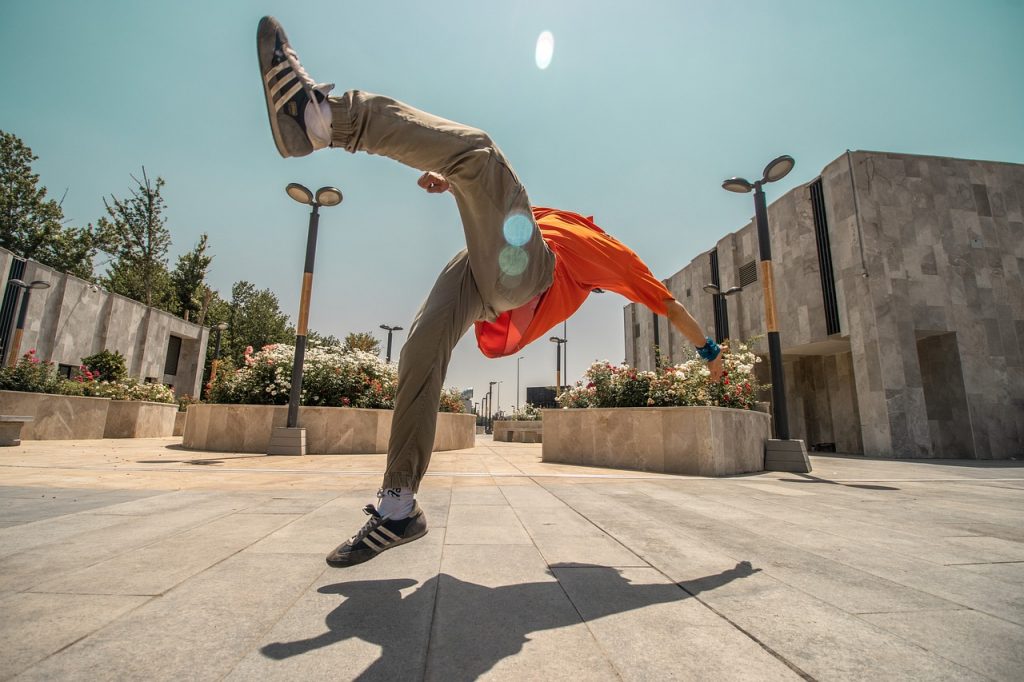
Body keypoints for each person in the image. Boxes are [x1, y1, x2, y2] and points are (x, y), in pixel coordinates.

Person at [256, 16, 723, 568]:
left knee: (479, 150)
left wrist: (709, 353)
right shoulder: (559, 218)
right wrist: (453, 179)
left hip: (525, 278)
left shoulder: (613, 258)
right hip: (480, 273)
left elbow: (667, 303)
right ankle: (399, 507)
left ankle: (320, 120)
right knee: (420, 350)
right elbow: (500, 212)